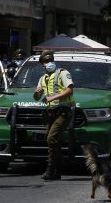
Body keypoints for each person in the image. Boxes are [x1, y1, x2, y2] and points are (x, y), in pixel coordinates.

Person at [33, 50, 75, 181]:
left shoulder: (62, 73)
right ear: (42, 64)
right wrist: (37, 93)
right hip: (50, 113)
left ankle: (50, 169)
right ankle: (57, 171)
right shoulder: (43, 78)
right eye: (46, 61)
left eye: (51, 60)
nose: (49, 63)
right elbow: (36, 97)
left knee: (51, 138)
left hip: (63, 111)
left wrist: (54, 97)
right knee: (53, 142)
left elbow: (70, 89)